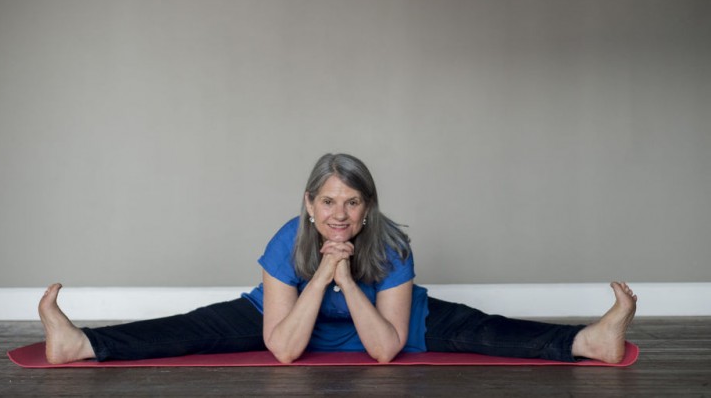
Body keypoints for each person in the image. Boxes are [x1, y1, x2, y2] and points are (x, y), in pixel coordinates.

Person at [38, 153, 637, 365]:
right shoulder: (286, 241)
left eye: (352, 202)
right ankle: (81, 345)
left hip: (387, 323)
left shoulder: (392, 245)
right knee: (191, 329)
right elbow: (284, 349)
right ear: (309, 203)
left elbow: (385, 349)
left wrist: (345, 279)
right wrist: (321, 271)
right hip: (284, 320)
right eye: (328, 201)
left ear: (368, 206)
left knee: (483, 329)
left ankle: (589, 343)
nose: (339, 215)